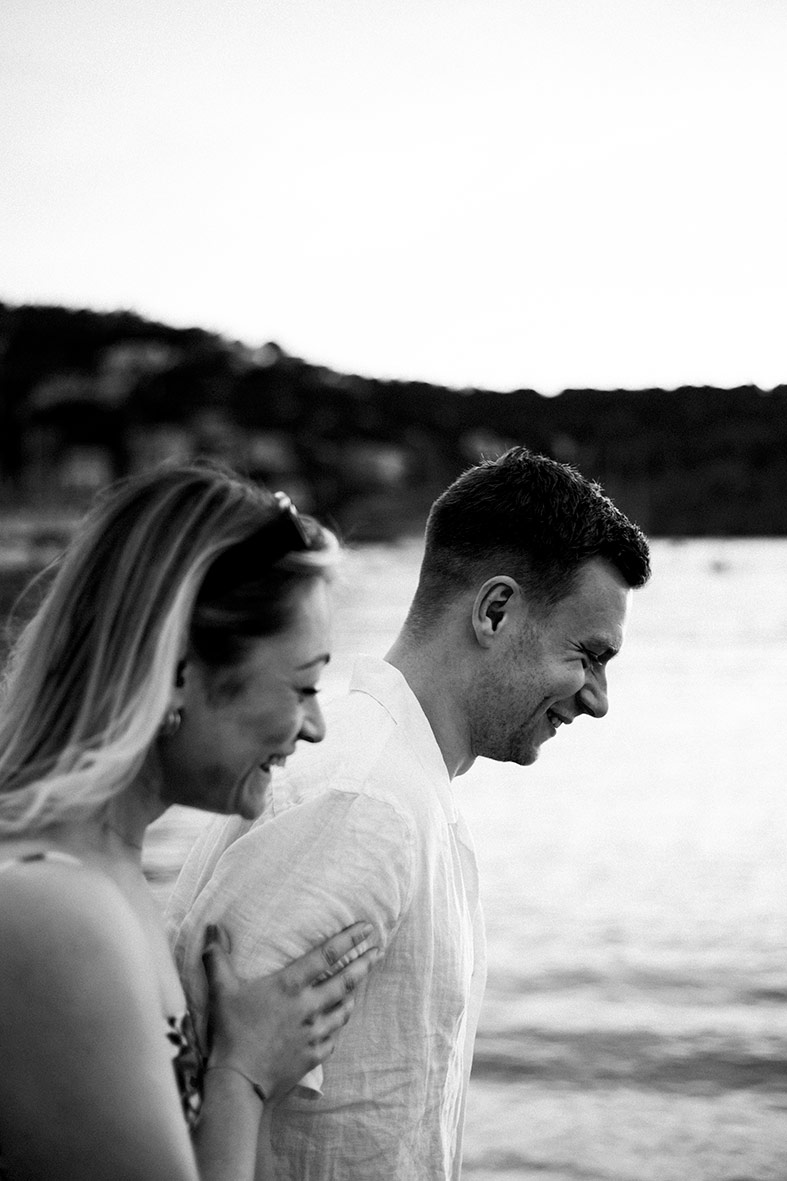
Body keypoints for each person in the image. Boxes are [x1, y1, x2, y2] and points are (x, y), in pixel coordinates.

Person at [168, 446, 652, 1180]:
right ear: (495, 610)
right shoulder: (360, 801)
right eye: (587, 654)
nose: (597, 697)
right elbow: (197, 1096)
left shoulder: (396, 782)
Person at [0, 463, 380, 1181]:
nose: (317, 726)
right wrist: (245, 1072)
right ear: (177, 668)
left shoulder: (103, 872)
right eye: (301, 685)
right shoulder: (53, 910)